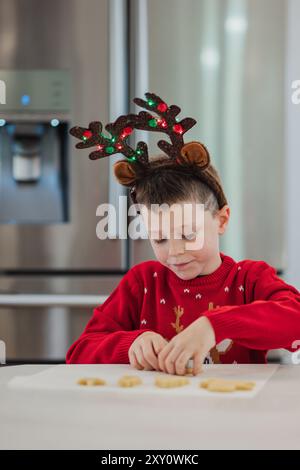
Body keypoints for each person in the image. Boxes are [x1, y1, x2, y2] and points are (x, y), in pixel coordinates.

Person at [66, 93, 300, 375]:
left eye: (188, 234)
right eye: (160, 238)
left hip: (234, 416)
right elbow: (79, 352)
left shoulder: (249, 280)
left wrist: (216, 324)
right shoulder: (142, 284)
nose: (175, 251)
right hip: (154, 416)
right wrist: (130, 344)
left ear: (221, 220)